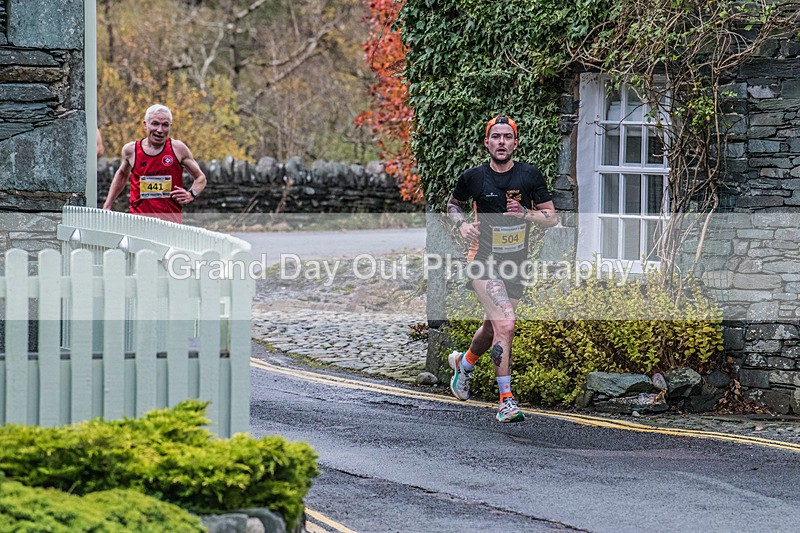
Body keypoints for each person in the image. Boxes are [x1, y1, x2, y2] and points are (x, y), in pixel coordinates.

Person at [446, 114, 558, 423]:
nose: (501, 142)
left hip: (515, 264)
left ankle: (464, 365)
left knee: (493, 327)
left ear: (515, 143)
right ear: (487, 142)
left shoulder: (530, 176)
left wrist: (525, 213)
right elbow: (452, 204)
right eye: (496, 137)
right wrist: (461, 224)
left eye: (507, 137)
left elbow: (552, 218)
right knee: (506, 324)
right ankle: (506, 400)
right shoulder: (474, 177)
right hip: (482, 260)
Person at [102, 104, 206, 223]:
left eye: (165, 125)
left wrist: (191, 194)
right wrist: (107, 205)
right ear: (145, 125)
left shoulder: (178, 149)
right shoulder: (131, 150)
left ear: (170, 127)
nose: (160, 130)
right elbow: (122, 175)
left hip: (170, 224)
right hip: (139, 221)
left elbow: (201, 178)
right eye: (155, 123)